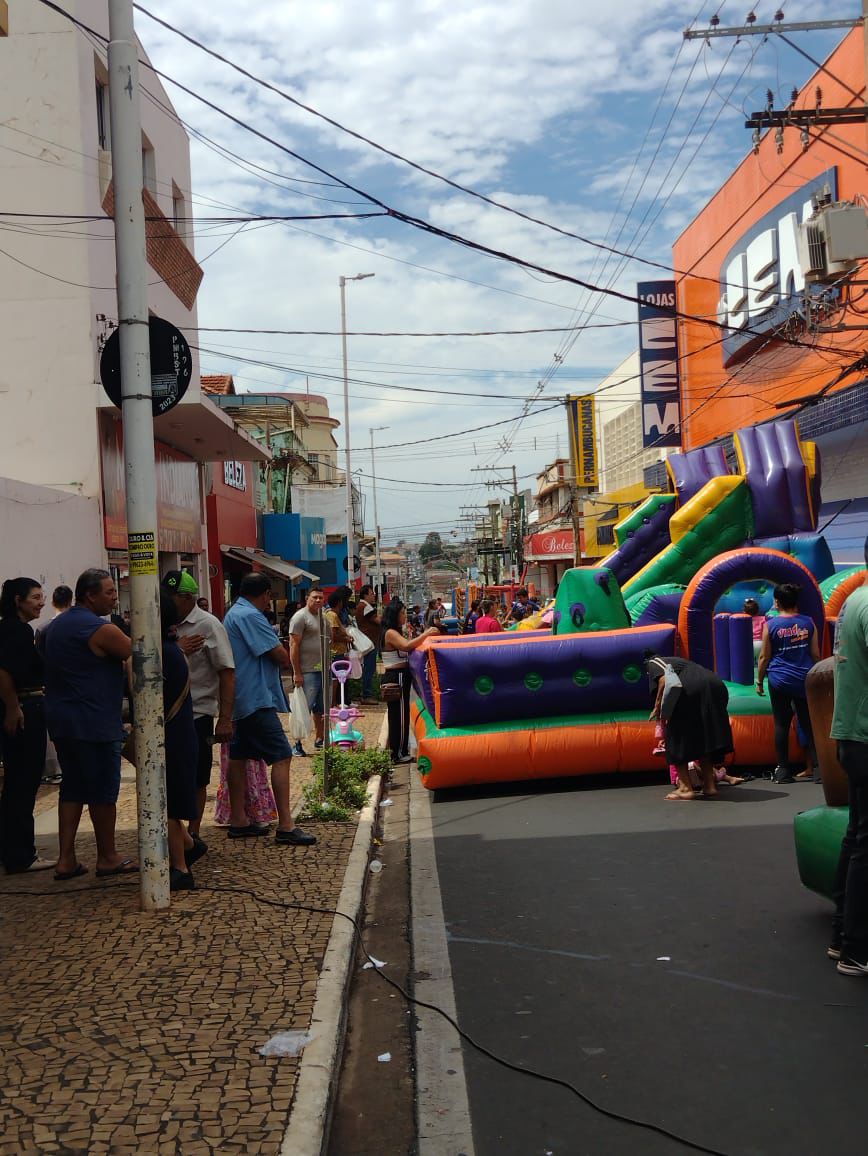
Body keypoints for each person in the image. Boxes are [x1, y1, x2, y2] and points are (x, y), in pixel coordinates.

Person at [41, 568, 137, 880]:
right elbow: (140, 655)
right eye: (109, 592)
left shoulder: (55, 627)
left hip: (62, 720)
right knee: (102, 791)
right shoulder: (99, 629)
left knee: (72, 787)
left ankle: (65, 858)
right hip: (93, 721)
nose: (114, 597)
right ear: (90, 595)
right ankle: (107, 856)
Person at [224, 573, 315, 846]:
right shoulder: (251, 617)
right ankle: (286, 825)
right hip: (255, 698)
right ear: (264, 594)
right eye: (268, 596)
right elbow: (280, 655)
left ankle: (239, 819)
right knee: (282, 755)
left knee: (238, 757)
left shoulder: (233, 613)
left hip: (241, 697)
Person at [162, 570, 235, 851]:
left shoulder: (208, 625)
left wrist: (225, 719)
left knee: (196, 776)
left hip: (198, 714)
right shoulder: (162, 624)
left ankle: (193, 832)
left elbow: (227, 672)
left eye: (171, 598)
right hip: (166, 716)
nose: (167, 603)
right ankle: (174, 832)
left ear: (187, 598)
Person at [829, 539, 868, 975]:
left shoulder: (855, 599)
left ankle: (843, 936)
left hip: (852, 733)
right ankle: (857, 948)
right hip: (864, 733)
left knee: (858, 836)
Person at [0, 578, 55, 874]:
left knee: (17, 783)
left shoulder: (17, 629)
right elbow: (4, 671)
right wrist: (12, 707)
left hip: (25, 707)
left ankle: (11, 848)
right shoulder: (15, 630)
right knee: (23, 781)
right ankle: (21, 854)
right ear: (18, 600)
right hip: (24, 710)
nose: (40, 602)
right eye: (35, 597)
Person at [646, 653, 734, 801]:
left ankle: (685, 788)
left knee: (676, 738)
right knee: (704, 737)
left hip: (692, 690)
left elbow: (664, 680)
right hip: (716, 685)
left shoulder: (653, 662)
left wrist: (657, 707)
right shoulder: (682, 663)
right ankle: (709, 786)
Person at [756, 583, 819, 784]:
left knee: (781, 724)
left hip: (780, 680)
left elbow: (764, 656)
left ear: (777, 602)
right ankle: (819, 768)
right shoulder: (809, 622)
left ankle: (783, 770)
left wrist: (759, 681)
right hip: (804, 679)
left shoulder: (771, 625)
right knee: (809, 724)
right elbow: (816, 654)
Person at [158, 593, 199, 891]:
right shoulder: (172, 649)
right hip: (181, 732)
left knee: (169, 805)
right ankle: (188, 844)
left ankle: (180, 868)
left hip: (172, 735)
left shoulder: (160, 653)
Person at [380, 602, 439, 765]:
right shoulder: (391, 633)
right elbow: (406, 646)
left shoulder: (394, 631)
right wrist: (426, 634)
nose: (405, 616)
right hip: (396, 676)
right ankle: (398, 753)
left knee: (402, 714)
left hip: (400, 676)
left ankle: (401, 751)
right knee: (399, 716)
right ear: (395, 615)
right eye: (402, 613)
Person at [36, 585, 73, 786]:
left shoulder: (43, 629)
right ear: (71, 600)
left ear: (52, 602)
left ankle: (55, 769)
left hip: (51, 689)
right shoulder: (78, 626)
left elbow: (40, 660)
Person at [289, 588, 326, 757]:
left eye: (320, 598)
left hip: (322, 669)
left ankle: (320, 739)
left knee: (320, 708)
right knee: (303, 708)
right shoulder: (299, 617)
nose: (318, 600)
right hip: (307, 670)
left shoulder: (322, 617)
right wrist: (297, 672)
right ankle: (297, 744)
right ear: (307, 599)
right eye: (315, 597)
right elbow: (293, 645)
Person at [324, 588, 353, 709]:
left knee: (339, 678)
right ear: (339, 602)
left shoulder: (333, 615)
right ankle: (332, 703)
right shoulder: (332, 615)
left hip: (340, 651)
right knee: (335, 679)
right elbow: (333, 635)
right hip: (336, 652)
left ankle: (336, 702)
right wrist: (346, 639)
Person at [355, 584, 381, 704]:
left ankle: (366, 693)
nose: (373, 596)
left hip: (367, 641)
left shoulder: (362, 606)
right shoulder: (366, 607)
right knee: (369, 669)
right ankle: (367, 695)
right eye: (371, 594)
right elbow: (378, 621)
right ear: (365, 595)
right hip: (369, 642)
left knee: (368, 668)